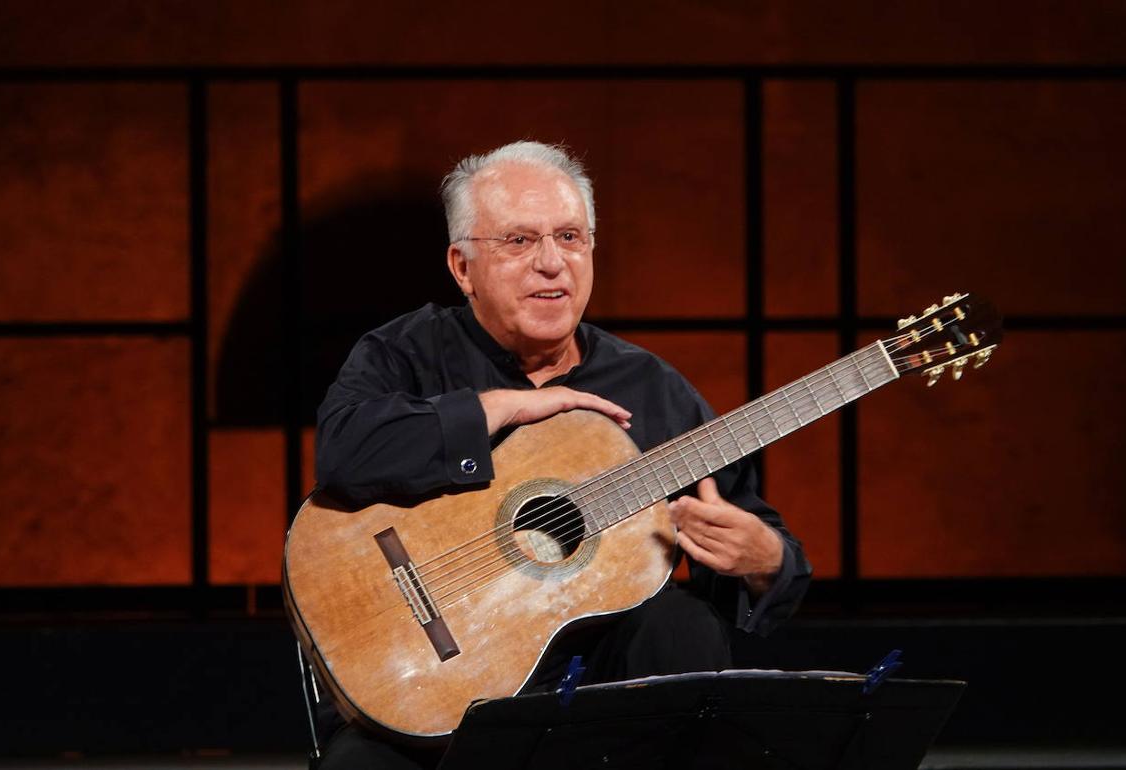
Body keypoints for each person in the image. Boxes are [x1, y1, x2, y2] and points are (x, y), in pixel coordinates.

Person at [310, 141, 812, 769]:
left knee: (679, 624)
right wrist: (499, 409)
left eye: (570, 237)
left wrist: (762, 559)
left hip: (597, 705)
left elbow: (755, 538)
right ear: (462, 267)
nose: (553, 264)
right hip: (422, 692)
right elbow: (343, 451)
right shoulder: (404, 354)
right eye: (519, 242)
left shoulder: (651, 390)